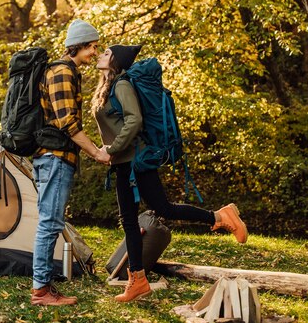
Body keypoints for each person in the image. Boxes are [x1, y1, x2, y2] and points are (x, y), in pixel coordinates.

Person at [92, 44, 248, 303]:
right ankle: (138, 280)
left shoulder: (121, 85)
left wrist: (114, 149)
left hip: (136, 161)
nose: (100, 54)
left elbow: (135, 120)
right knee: (140, 216)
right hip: (124, 162)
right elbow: (116, 124)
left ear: (116, 60)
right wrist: (107, 148)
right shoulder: (107, 87)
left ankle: (220, 216)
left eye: (106, 53)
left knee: (153, 212)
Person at [30, 19, 111, 306]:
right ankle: (41, 290)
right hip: (54, 158)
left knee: (49, 221)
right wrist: (96, 153)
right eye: (93, 46)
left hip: (52, 158)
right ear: (80, 45)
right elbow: (68, 124)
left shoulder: (66, 71)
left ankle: (43, 286)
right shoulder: (62, 72)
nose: (94, 52)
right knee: (50, 223)